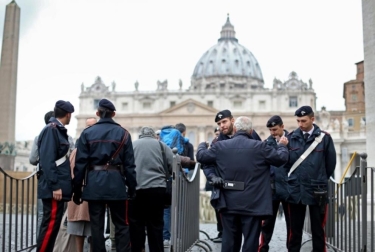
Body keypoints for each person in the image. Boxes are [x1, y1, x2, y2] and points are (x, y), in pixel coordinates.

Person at [196, 116, 289, 252]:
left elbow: (201, 157)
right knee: (251, 241)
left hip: (228, 201)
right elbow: (281, 158)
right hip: (253, 203)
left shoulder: (220, 146)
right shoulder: (260, 146)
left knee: (229, 240)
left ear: (235, 129)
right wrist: (282, 146)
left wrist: (202, 146)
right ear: (251, 131)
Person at [73, 98, 137, 252]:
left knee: (96, 227)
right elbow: (130, 166)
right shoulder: (124, 134)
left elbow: (80, 165)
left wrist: (76, 189)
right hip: (117, 184)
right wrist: (133, 188)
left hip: (94, 184)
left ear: (97, 113)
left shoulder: (87, 133)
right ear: (113, 114)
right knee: (122, 225)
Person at [201, 109, 262, 243]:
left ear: (233, 121)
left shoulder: (251, 134)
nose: (221, 125)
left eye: (224, 121)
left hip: (250, 192)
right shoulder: (217, 142)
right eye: (219, 123)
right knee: (230, 237)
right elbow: (207, 164)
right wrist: (212, 176)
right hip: (227, 192)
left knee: (250, 237)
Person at [285, 106, 336, 252]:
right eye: (298, 121)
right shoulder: (291, 137)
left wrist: (320, 179)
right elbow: (287, 163)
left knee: (318, 231)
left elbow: (330, 164)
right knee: (294, 232)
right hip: (296, 190)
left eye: (304, 120)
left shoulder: (325, 138)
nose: (300, 124)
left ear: (312, 119)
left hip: (317, 191)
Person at [36, 100, 75, 252]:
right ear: (68, 114)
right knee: (50, 224)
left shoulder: (56, 129)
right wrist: (56, 186)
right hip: (54, 187)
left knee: (53, 225)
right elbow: (47, 160)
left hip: (57, 185)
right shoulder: (52, 130)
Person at [129, 126, 174, 252]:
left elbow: (126, 166)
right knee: (155, 225)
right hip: (157, 188)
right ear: (154, 135)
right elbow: (172, 165)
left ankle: (138, 249)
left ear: (140, 135)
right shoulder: (161, 146)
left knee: (136, 224)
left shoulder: (133, 145)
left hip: (136, 189)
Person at [258, 115, 291, 252]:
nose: (273, 133)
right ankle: (263, 248)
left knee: (292, 225)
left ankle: (292, 249)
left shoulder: (293, 141)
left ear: (282, 127)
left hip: (289, 188)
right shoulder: (266, 143)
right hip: (271, 189)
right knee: (266, 224)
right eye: (270, 130)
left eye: (275, 129)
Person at [67, 117, 97, 252]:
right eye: (87, 125)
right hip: (81, 190)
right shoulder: (77, 150)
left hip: (90, 190)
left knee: (92, 226)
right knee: (80, 225)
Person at [29, 111, 55, 238]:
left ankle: (40, 241)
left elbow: (33, 159)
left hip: (44, 177)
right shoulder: (68, 138)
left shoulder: (38, 137)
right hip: (63, 180)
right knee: (59, 213)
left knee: (42, 213)